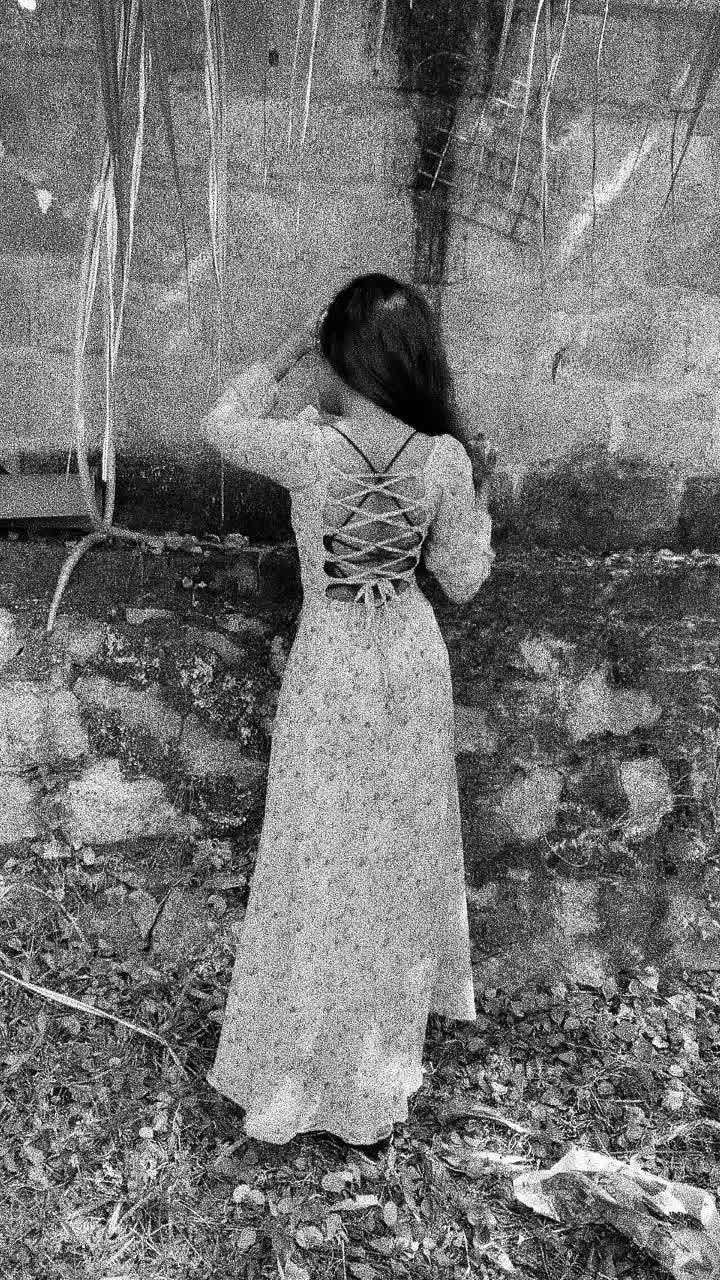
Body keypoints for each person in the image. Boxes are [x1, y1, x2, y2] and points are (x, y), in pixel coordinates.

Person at [202, 272, 496, 1150]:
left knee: (318, 854)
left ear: (342, 355)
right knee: (395, 860)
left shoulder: (311, 449)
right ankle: (369, 1079)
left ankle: (302, 1069)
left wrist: (288, 352)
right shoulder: (443, 460)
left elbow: (220, 426)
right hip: (408, 655)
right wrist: (482, 501)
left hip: (334, 658)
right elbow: (463, 579)